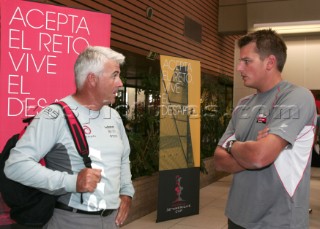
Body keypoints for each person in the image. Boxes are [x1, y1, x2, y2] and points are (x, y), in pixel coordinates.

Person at [4, 46, 135, 229]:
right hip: (71, 220)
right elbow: (15, 165)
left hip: (111, 221)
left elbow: (123, 159)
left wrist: (127, 193)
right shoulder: (54, 115)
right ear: (92, 79)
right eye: (114, 75)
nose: (120, 83)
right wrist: (71, 182)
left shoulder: (113, 117)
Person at [213, 29, 317, 229]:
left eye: (246, 61)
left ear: (270, 62)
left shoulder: (297, 97)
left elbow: (259, 157)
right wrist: (251, 152)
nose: (238, 68)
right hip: (237, 216)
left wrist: (233, 145)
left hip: (278, 221)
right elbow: (218, 160)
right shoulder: (243, 104)